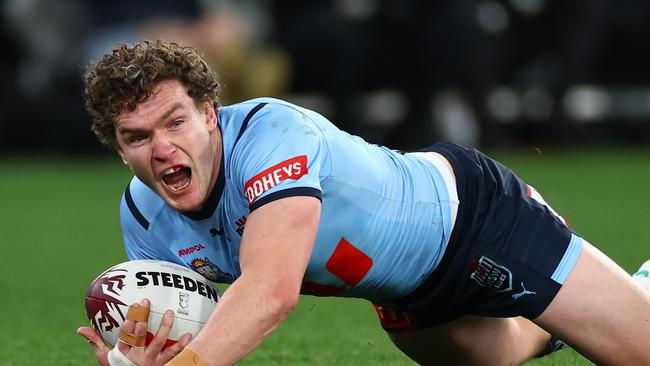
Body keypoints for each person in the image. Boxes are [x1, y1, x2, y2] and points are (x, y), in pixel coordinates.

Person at [76, 40, 650, 366]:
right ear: (118, 147)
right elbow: (190, 322)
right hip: (404, 292)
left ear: (207, 112)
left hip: (477, 219)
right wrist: (138, 356)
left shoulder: (272, 134)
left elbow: (270, 293)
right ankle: (557, 315)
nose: (163, 148)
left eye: (175, 121)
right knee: (496, 358)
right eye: (138, 137)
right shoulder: (146, 217)